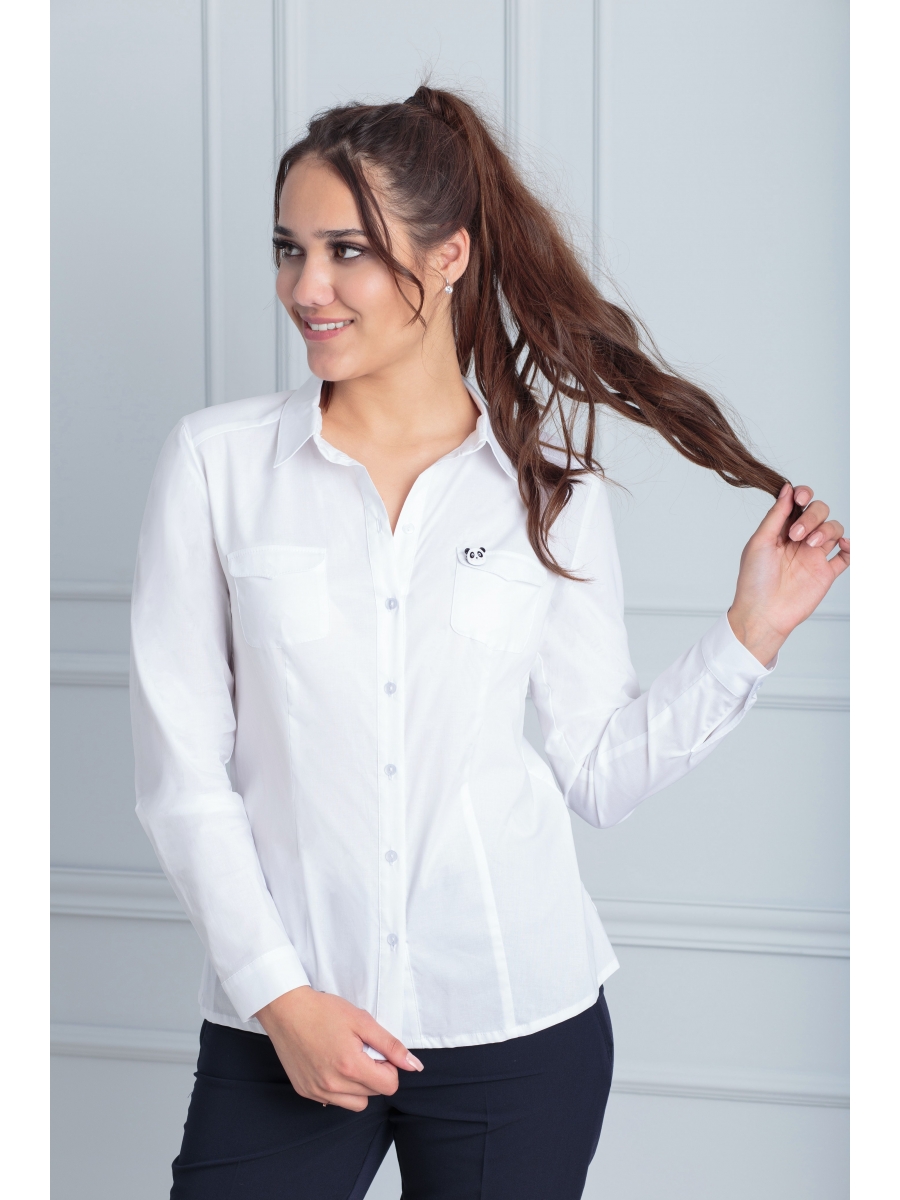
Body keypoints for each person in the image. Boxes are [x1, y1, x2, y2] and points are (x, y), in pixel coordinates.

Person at [129, 85, 850, 1200]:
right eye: (289, 250)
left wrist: (753, 630)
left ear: (450, 254)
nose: (305, 288)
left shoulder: (548, 490)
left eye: (347, 252)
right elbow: (182, 775)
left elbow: (597, 770)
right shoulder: (215, 467)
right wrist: (282, 999)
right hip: (287, 1022)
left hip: (519, 1023)